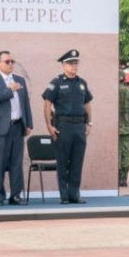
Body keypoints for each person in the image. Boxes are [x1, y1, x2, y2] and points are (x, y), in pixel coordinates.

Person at [42, 49, 94, 204]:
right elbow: (47, 104)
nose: (74, 66)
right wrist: (49, 125)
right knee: (63, 162)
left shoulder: (82, 83)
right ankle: (64, 196)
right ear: (63, 65)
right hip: (63, 126)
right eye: (71, 63)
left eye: (76, 63)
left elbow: (87, 104)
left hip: (79, 125)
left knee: (77, 162)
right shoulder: (56, 83)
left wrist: (89, 122)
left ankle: (74, 194)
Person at [0, 51, 33, 206]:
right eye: (7, 61)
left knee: (16, 163)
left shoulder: (20, 80)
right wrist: (10, 90)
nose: (11, 64)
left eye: (12, 61)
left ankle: (15, 195)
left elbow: (25, 103)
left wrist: (28, 123)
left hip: (17, 126)